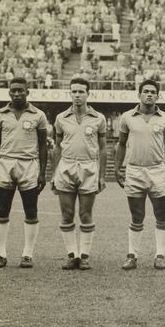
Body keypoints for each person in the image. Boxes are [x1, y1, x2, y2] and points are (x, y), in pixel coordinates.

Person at [115, 79, 165, 270]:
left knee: (161, 214)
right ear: (139, 94)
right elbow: (121, 143)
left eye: (153, 92)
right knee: (137, 215)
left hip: (157, 170)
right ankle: (132, 255)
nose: (149, 94)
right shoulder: (127, 117)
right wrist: (118, 167)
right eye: (146, 91)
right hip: (134, 170)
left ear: (158, 96)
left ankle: (160, 255)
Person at [0, 77, 49, 268]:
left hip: (28, 164)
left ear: (27, 92)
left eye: (20, 90)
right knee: (2, 210)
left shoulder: (38, 115)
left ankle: (27, 254)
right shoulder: (0, 114)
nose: (17, 94)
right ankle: (1, 254)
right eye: (13, 90)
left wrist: (42, 172)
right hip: (5, 163)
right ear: (9, 92)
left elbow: (42, 145)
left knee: (31, 210)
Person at [51, 76, 107, 270]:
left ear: (88, 94)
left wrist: (101, 176)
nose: (77, 95)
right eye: (74, 91)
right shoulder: (61, 118)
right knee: (66, 213)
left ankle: (84, 255)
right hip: (66, 166)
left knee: (85, 213)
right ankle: (71, 254)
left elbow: (103, 148)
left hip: (89, 167)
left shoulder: (98, 118)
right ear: (70, 93)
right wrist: (54, 172)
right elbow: (57, 146)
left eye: (81, 91)